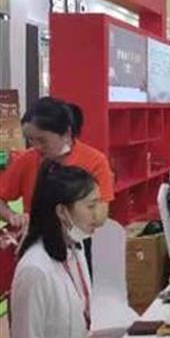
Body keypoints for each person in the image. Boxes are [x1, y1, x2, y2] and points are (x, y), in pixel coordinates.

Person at [3, 163, 103, 338]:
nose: (98, 215)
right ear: (62, 211)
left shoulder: (74, 249)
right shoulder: (35, 269)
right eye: (90, 206)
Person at [0, 97, 114, 243]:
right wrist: (11, 215)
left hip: (77, 240)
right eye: (30, 140)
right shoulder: (26, 160)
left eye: (42, 140)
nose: (36, 147)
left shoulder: (95, 161)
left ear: (66, 133)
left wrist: (72, 217)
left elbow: (100, 215)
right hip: (35, 239)